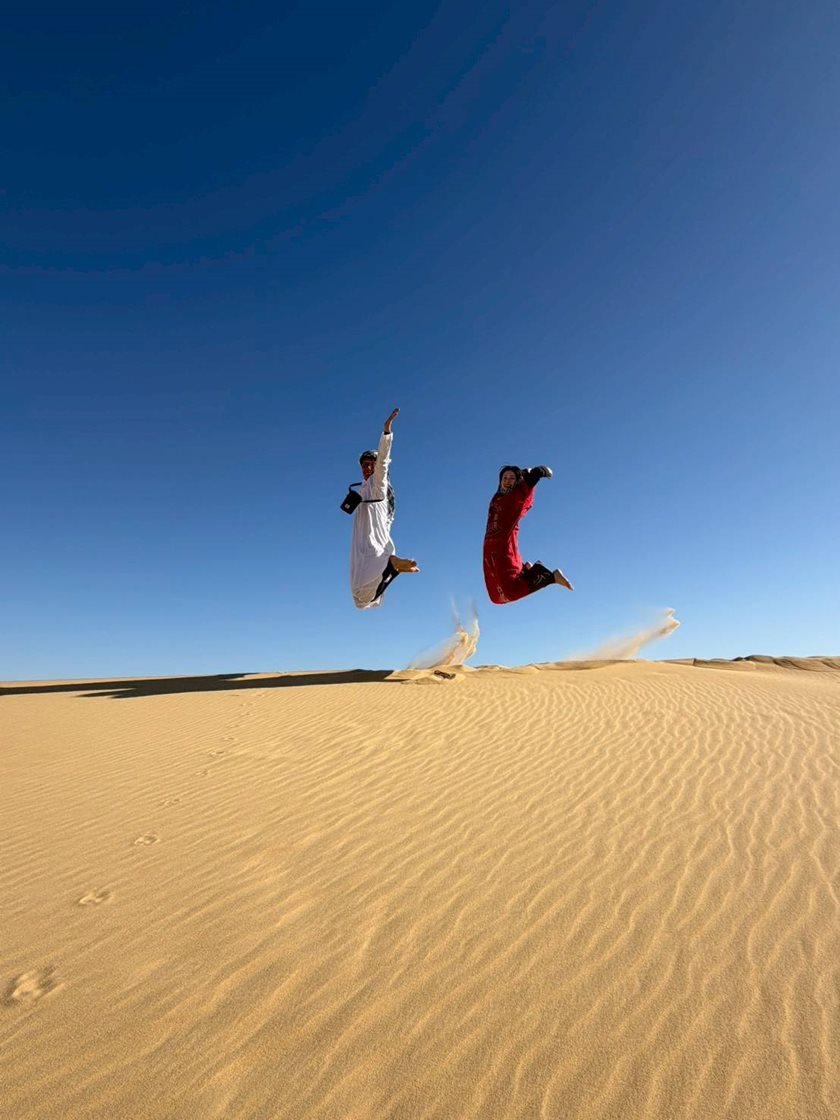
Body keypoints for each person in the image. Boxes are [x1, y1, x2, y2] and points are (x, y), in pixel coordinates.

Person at [349, 408, 419, 609]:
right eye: (364, 465)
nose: (367, 468)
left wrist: (387, 432)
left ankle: (391, 563)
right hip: (364, 536)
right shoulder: (362, 488)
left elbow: (384, 464)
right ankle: (392, 567)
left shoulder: (378, 482)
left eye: (370, 464)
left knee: (361, 591)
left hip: (372, 534)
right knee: (361, 600)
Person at [483, 464, 573, 605]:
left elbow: (519, 500)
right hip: (490, 547)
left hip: (503, 544)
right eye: (504, 478)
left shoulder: (511, 499)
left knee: (509, 594)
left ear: (518, 482)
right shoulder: (497, 498)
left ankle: (550, 576)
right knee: (496, 598)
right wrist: (524, 473)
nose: (507, 480)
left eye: (512, 478)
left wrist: (534, 475)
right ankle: (526, 572)